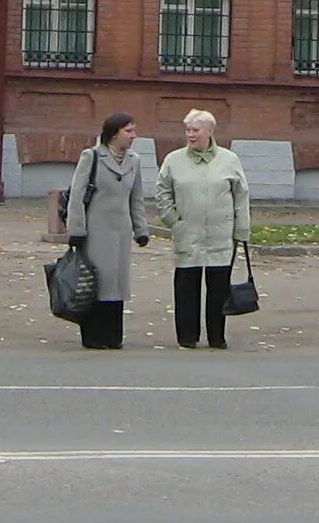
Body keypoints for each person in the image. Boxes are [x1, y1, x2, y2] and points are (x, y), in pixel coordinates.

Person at [156, 109, 252, 349]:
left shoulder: (229, 160)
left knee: (218, 288)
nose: (190, 135)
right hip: (187, 232)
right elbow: (162, 191)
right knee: (186, 287)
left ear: (210, 131)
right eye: (187, 130)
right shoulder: (173, 160)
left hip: (219, 235)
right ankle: (187, 337)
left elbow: (241, 195)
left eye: (195, 130)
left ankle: (216, 336)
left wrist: (242, 230)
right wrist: (172, 219)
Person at [65, 111, 151, 349]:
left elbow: (137, 198)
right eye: (129, 131)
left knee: (117, 283)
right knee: (95, 282)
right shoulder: (92, 157)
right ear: (114, 133)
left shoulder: (134, 160)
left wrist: (140, 229)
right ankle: (93, 335)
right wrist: (77, 230)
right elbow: (77, 196)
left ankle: (113, 336)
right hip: (95, 230)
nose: (134, 135)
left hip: (121, 231)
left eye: (133, 130)